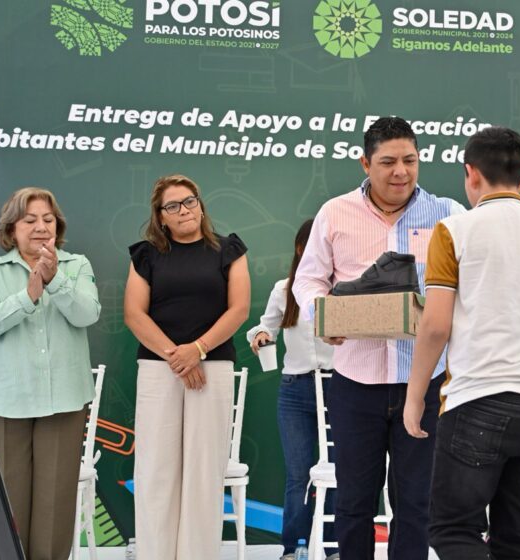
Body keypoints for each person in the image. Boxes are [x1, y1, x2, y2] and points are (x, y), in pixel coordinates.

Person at [404, 127, 520, 560]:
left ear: (470, 174)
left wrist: (414, 397)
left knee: (452, 530)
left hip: (480, 400)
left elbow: (434, 327)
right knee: (517, 541)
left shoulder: (454, 230)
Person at [292, 116, 465, 560]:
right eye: (387, 162)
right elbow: (308, 281)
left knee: (415, 503)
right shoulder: (335, 212)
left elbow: (476, 280)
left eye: (410, 160)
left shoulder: (449, 214)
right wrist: (324, 315)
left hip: (425, 382)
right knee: (353, 502)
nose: (400, 172)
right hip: (355, 380)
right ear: (365, 162)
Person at [124, 174, 250, 560]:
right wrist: (177, 357)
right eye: (173, 206)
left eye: (190, 201)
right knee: (155, 472)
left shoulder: (229, 249)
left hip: (211, 370)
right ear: (160, 216)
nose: (184, 210)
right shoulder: (146, 254)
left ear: (200, 204)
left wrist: (197, 349)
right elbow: (133, 314)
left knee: (203, 474)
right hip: (160, 370)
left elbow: (240, 309)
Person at [0, 187, 100, 560]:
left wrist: (55, 280)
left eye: (48, 220)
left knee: (55, 502)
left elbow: (87, 314)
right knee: (6, 500)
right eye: (30, 221)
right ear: (12, 230)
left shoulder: (77, 266)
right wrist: (26, 297)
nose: (41, 227)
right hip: (6, 401)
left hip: (64, 401)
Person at [246, 219, 338, 560]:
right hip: (295, 390)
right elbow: (263, 326)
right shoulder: (284, 289)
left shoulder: (345, 288)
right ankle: (293, 548)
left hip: (340, 388)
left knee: (340, 472)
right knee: (298, 474)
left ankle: (333, 547)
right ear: (301, 248)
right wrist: (258, 336)